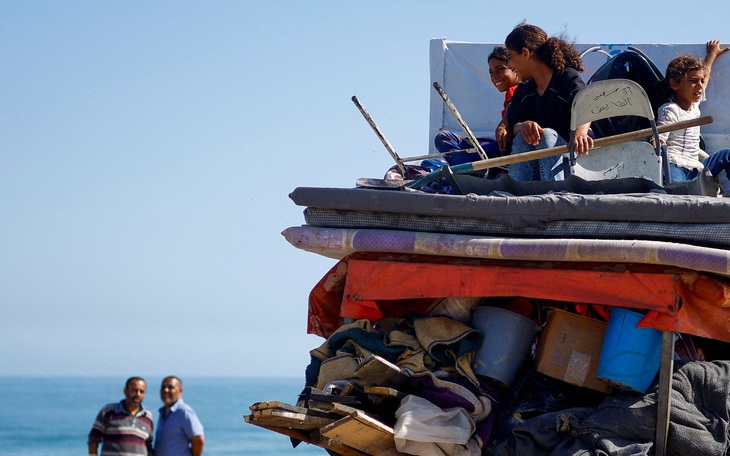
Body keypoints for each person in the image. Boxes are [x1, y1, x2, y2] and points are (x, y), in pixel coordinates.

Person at [504, 22, 593, 181]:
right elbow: (515, 124)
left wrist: (580, 133)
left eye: (510, 58)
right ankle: (518, 196)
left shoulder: (566, 77)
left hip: (571, 164)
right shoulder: (523, 90)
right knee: (521, 137)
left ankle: (556, 194)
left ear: (525, 53)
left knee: (546, 135)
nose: (510, 66)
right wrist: (524, 126)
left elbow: (586, 104)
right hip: (537, 167)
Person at [434, 46, 520, 177]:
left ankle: (464, 170)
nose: (494, 76)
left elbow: (511, 108)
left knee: (444, 139)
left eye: (500, 69)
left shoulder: (516, 90)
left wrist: (503, 124)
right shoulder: (516, 91)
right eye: (491, 72)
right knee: (467, 145)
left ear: (515, 68)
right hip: (503, 146)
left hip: (508, 148)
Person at [656, 40, 730, 189]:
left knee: (727, 155)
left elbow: (706, 74)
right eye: (693, 81)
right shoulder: (670, 110)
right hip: (676, 165)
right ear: (675, 84)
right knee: (678, 190)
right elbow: (659, 140)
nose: (700, 86)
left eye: (701, 81)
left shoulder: (695, 105)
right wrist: (656, 142)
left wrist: (712, 55)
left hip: (697, 166)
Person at [88, 377, 154, 455]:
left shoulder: (147, 417)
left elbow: (148, 446)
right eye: (134, 390)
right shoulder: (109, 411)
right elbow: (93, 439)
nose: (138, 394)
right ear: (125, 391)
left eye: (142, 391)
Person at [155, 376, 205, 456]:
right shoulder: (163, 413)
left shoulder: (184, 412)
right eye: (163, 387)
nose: (166, 390)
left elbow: (198, 439)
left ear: (180, 391)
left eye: (170, 387)